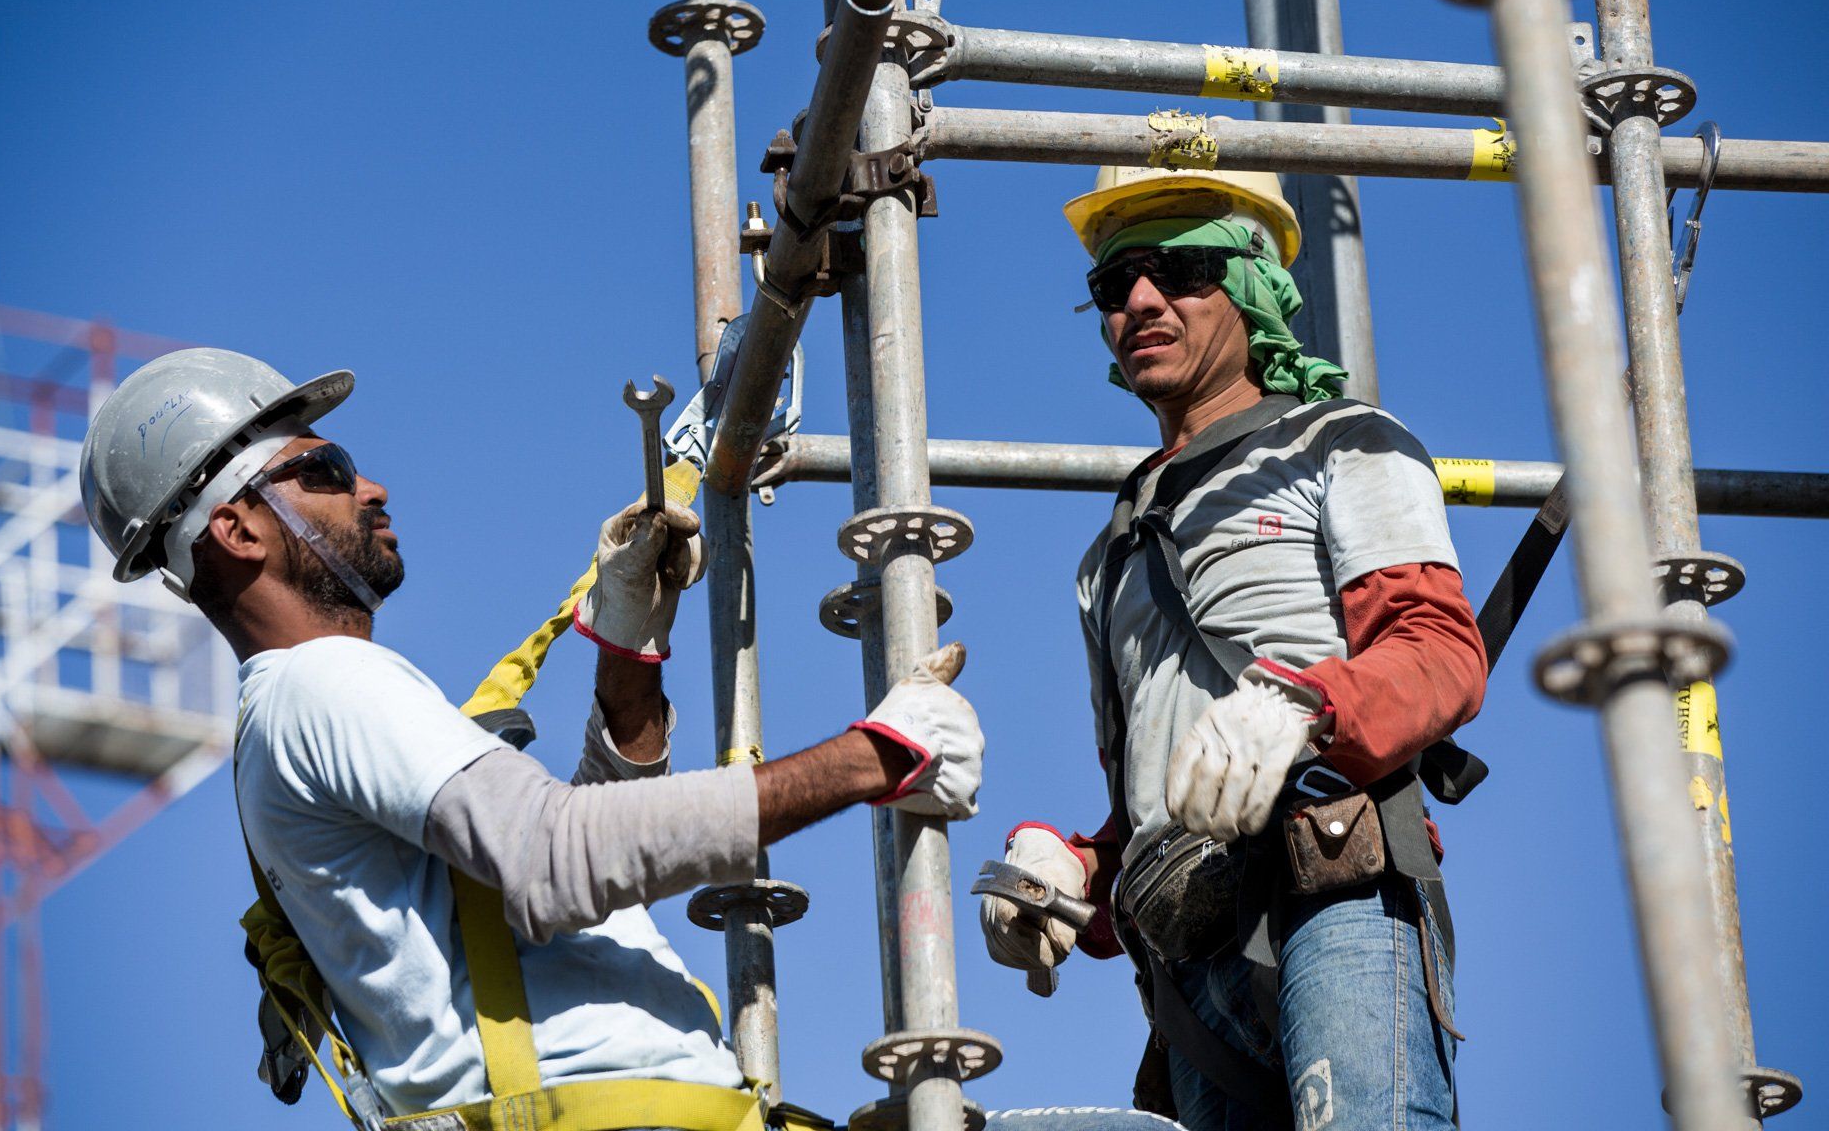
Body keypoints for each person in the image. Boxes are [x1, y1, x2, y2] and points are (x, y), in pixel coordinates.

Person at [79, 347, 983, 1129]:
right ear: (235, 530)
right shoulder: (320, 685)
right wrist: (878, 756)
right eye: (326, 469)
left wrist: (629, 650)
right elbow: (556, 861)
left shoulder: (297, 714)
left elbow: (567, 878)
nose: (372, 486)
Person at [978, 166, 1487, 1131]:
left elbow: (1438, 650)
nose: (1139, 300)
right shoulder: (1111, 554)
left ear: (1252, 284)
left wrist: (1303, 708)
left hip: (1329, 889)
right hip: (1186, 965)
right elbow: (1173, 788)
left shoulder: (1344, 443)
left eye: (1180, 269)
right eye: (1113, 283)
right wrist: (1082, 873)